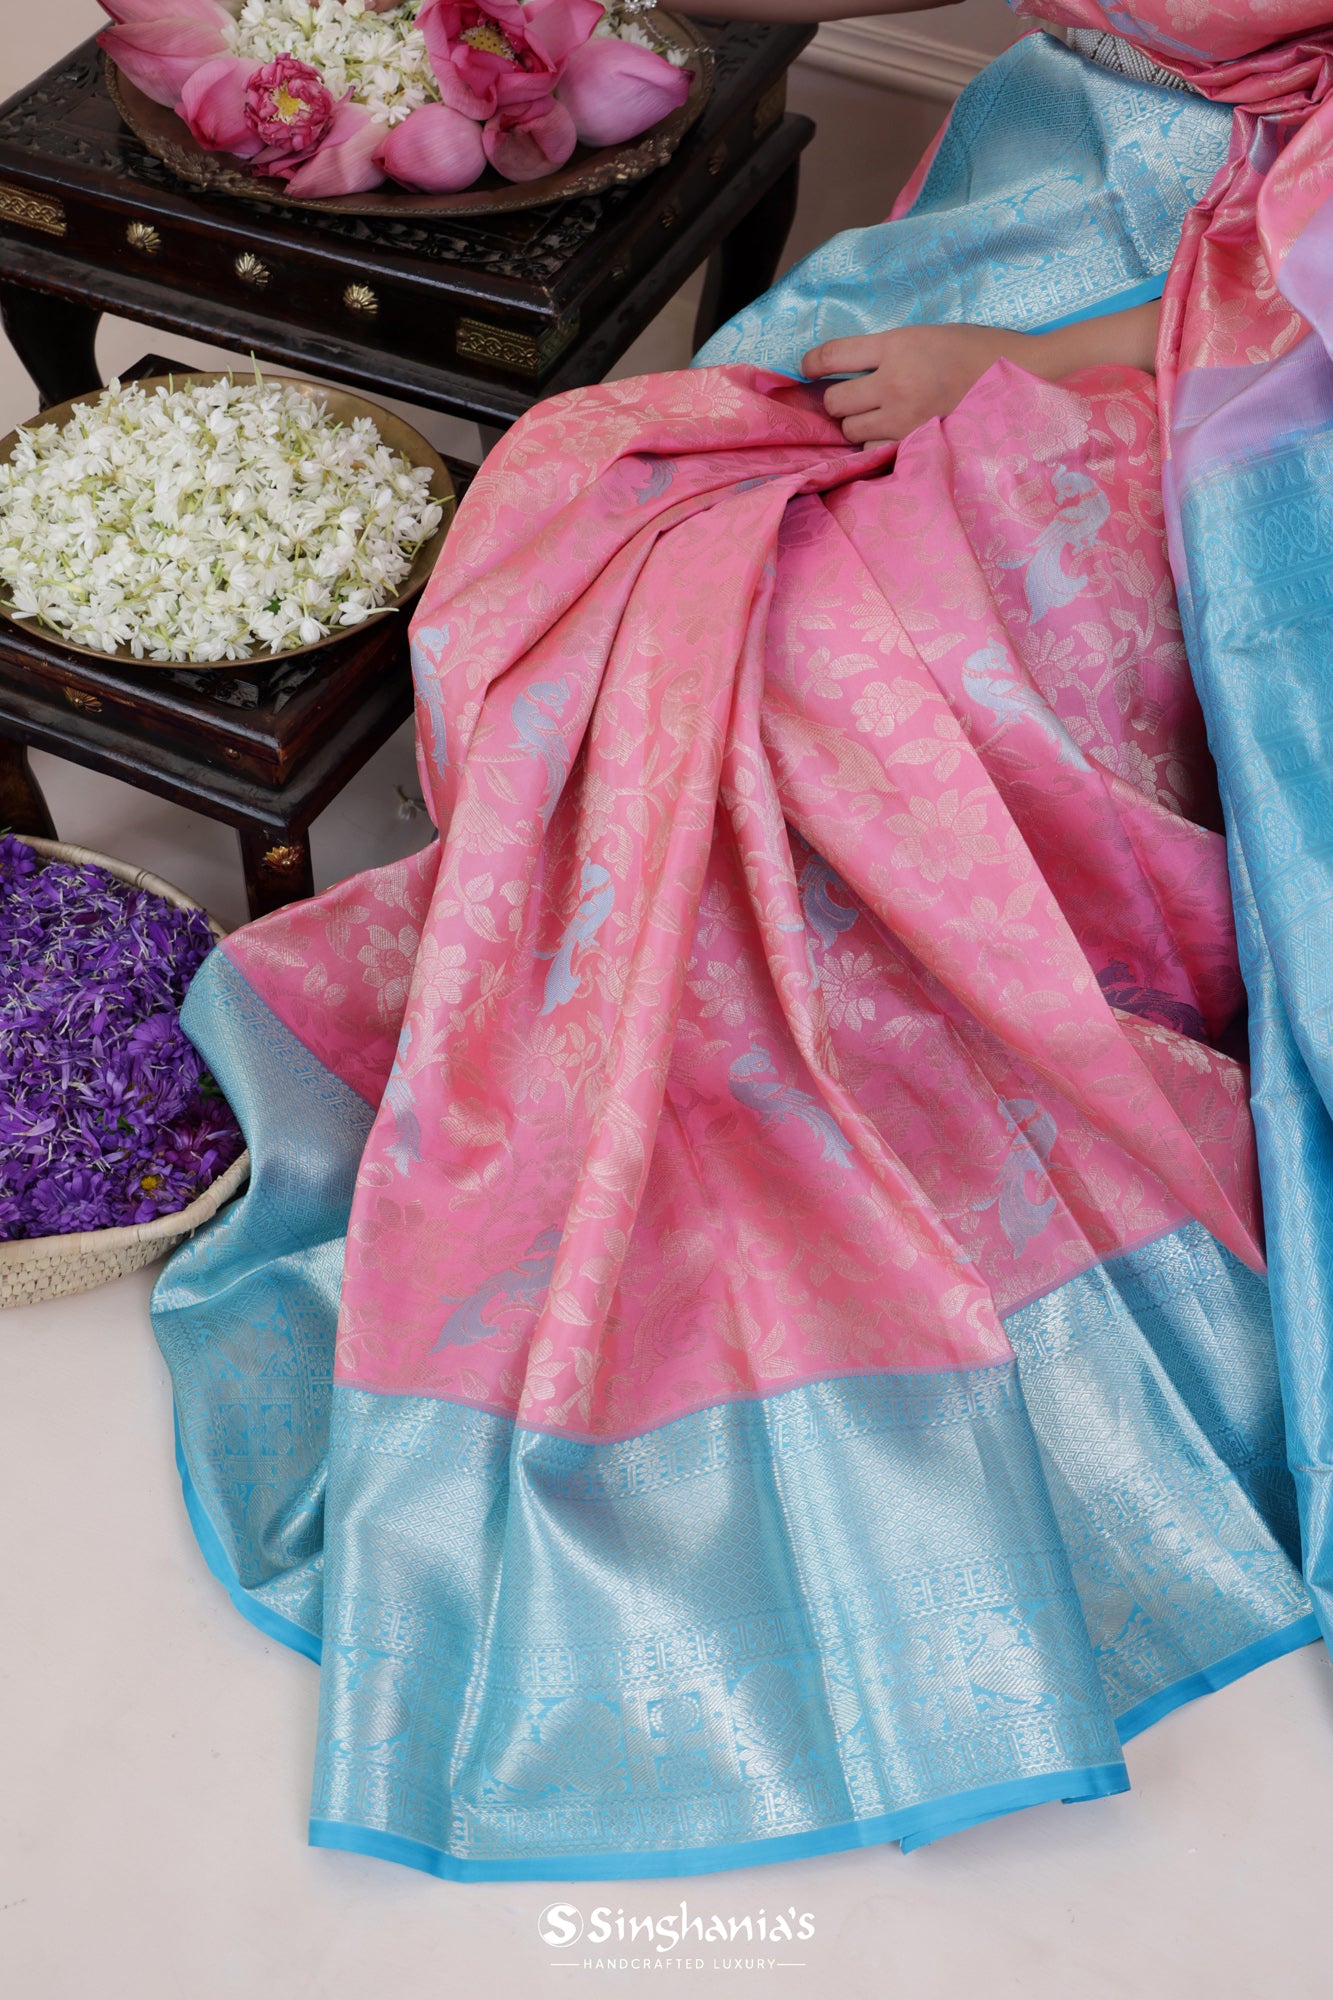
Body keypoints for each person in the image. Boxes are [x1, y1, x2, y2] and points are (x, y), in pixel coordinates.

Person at [151, 0, 1333, 1880]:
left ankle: (791, 1079)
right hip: (1015, 195)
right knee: (603, 482)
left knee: (849, 641)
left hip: (1212, 331)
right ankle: (641, 1001)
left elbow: (1293, 277)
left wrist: (1002, 369)